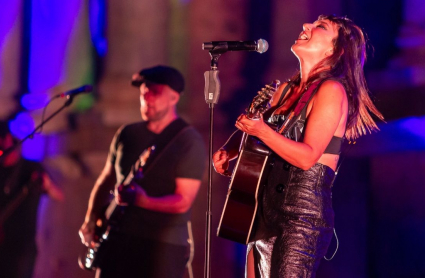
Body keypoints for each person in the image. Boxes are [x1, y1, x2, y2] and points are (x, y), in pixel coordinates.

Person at [212, 15, 384, 277]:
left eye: (320, 27)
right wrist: (230, 150)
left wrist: (261, 130)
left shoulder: (331, 90)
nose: (306, 26)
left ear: (334, 50)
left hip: (299, 218)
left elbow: (307, 158)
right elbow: (258, 130)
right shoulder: (281, 91)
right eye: (311, 23)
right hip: (261, 212)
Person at [79, 65, 206, 278]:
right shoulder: (127, 133)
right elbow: (106, 179)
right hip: (117, 238)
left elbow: (184, 199)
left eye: (154, 92)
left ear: (174, 98)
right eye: (143, 92)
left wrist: (143, 201)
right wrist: (90, 219)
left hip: (161, 245)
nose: (146, 98)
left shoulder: (188, 141)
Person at [0, 121, 64, 278]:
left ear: (7, 139)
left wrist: (47, 185)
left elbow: (58, 194)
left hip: (23, 244)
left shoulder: (31, 167)